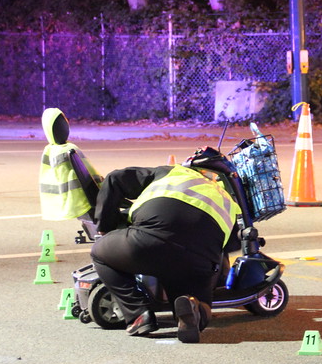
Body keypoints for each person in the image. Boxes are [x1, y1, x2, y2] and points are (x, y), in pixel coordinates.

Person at [90, 147, 240, 343]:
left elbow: (115, 178)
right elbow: (229, 247)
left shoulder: (173, 172)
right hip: (198, 261)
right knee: (198, 301)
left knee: (100, 253)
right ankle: (193, 310)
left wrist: (106, 226)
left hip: (150, 242)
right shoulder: (226, 199)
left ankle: (138, 313)